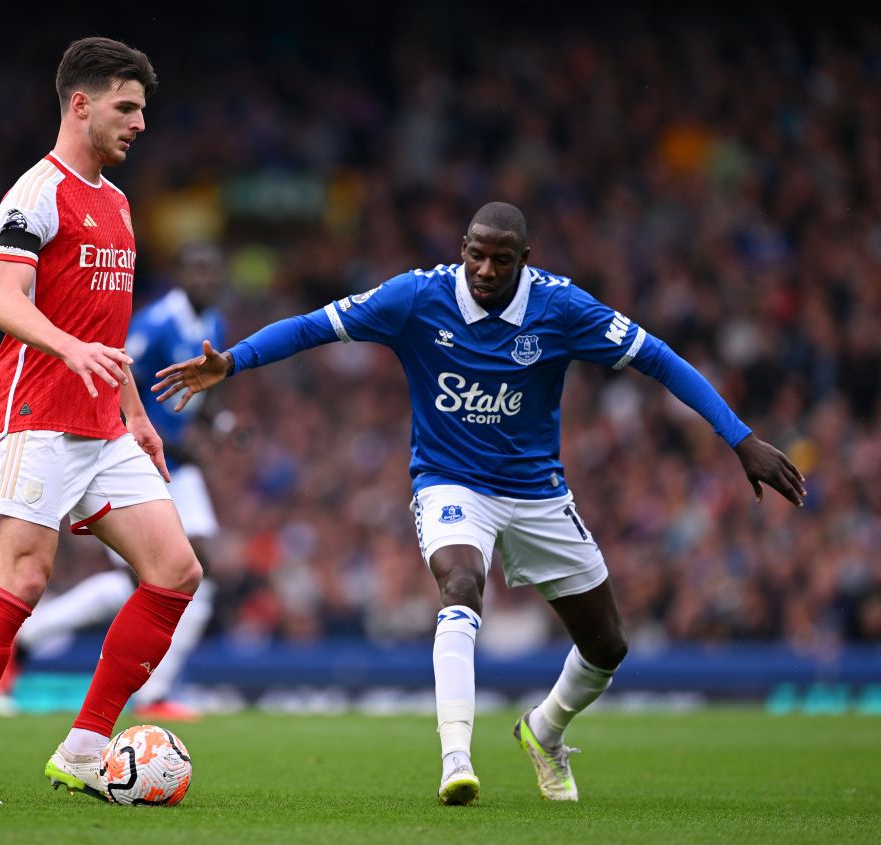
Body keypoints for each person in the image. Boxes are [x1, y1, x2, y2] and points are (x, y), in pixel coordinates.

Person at [153, 202, 806, 805]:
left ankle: (544, 731)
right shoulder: (416, 297)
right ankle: (455, 760)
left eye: (502, 259)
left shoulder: (561, 307)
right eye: (477, 255)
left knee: (607, 645)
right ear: (462, 248)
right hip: (450, 482)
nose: (487, 270)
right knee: (461, 582)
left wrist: (740, 438)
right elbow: (313, 326)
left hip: (538, 493)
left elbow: (657, 359)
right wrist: (232, 362)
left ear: (525, 258)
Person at [0, 37, 202, 806]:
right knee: (22, 579)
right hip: (35, 414)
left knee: (176, 570)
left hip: (104, 425)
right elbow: (0, 300)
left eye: (142, 109)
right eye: (126, 107)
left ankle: (83, 748)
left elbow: (108, 329)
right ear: (81, 103)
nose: (140, 123)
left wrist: (136, 412)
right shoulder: (34, 193)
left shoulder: (118, 203)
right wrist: (69, 348)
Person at [13, 241, 227, 721]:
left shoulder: (213, 324)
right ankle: (32, 642)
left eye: (212, 270)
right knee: (151, 577)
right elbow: (117, 373)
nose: (205, 279)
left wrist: (219, 424)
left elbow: (200, 393)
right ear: (179, 275)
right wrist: (134, 430)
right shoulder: (156, 323)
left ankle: (152, 691)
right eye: (196, 269)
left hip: (178, 464)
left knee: (193, 574)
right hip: (136, 453)